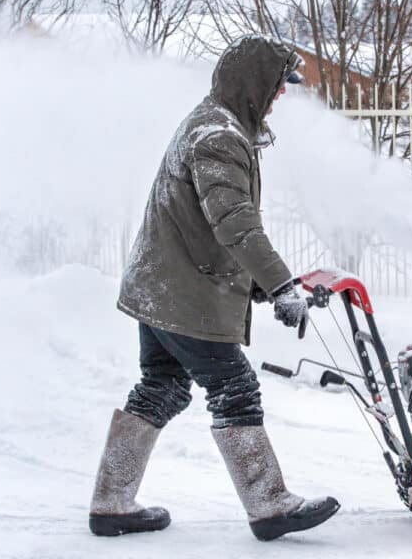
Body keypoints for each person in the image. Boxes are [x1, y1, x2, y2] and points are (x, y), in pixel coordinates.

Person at [89, 35, 339, 541]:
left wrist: (267, 287)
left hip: (160, 288)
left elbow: (209, 225)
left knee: (163, 386)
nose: (279, 98)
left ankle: (112, 502)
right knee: (235, 390)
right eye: (276, 88)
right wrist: (281, 284)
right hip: (183, 293)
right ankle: (269, 505)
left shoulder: (213, 123)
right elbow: (236, 226)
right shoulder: (218, 136)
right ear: (254, 84)